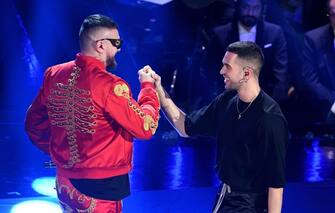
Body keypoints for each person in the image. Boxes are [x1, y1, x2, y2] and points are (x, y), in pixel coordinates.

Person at [25, 14, 160, 212]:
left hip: (64, 181)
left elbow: (33, 124)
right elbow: (145, 127)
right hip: (101, 187)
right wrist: (148, 87)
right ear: (100, 45)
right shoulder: (110, 85)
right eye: (116, 42)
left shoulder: (54, 74)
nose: (119, 48)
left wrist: (62, 152)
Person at [153, 41, 288, 213]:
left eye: (227, 67)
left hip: (252, 205)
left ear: (246, 73)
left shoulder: (270, 118)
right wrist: (159, 90)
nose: (221, 71)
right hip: (225, 196)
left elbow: (275, 184)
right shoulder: (227, 101)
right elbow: (185, 127)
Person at [201, 0, 289, 102]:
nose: (250, 13)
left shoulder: (274, 33)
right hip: (227, 100)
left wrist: (271, 105)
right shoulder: (220, 34)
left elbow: (280, 74)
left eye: (255, 8)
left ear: (262, 9)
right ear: (238, 7)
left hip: (264, 99)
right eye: (246, 7)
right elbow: (208, 70)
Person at [301, 0, 335, 124]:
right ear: (329, 15)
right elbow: (310, 80)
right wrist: (333, 104)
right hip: (327, 107)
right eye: (333, 14)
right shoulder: (314, 39)